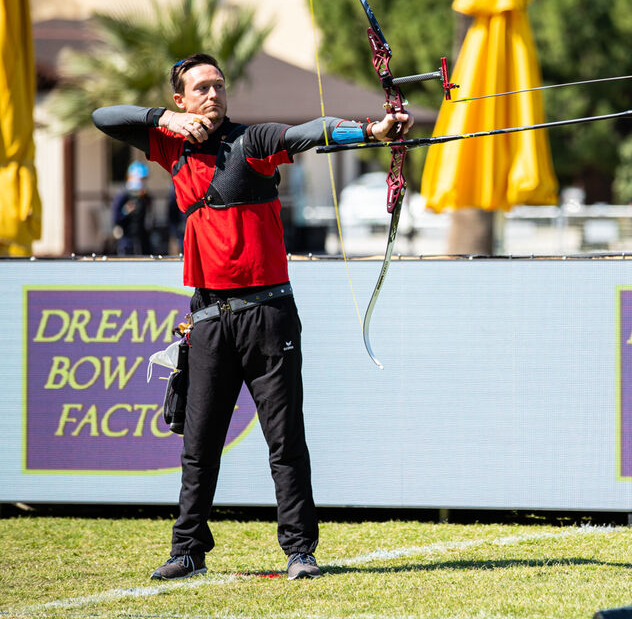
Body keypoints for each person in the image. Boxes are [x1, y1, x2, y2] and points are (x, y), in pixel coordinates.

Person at [92, 54, 411, 581]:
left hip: (268, 317)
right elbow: (104, 117)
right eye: (202, 88)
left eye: (219, 86)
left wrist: (373, 131)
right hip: (209, 318)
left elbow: (313, 133)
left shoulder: (254, 141)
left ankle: (299, 551)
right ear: (181, 100)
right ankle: (188, 548)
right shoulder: (169, 144)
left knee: (285, 440)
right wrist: (159, 121)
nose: (214, 95)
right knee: (199, 444)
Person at [111, 161, 153, 255]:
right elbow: (116, 219)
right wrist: (126, 211)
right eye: (140, 179)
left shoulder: (145, 197)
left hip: (143, 240)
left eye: (144, 179)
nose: (142, 182)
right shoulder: (122, 195)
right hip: (127, 241)